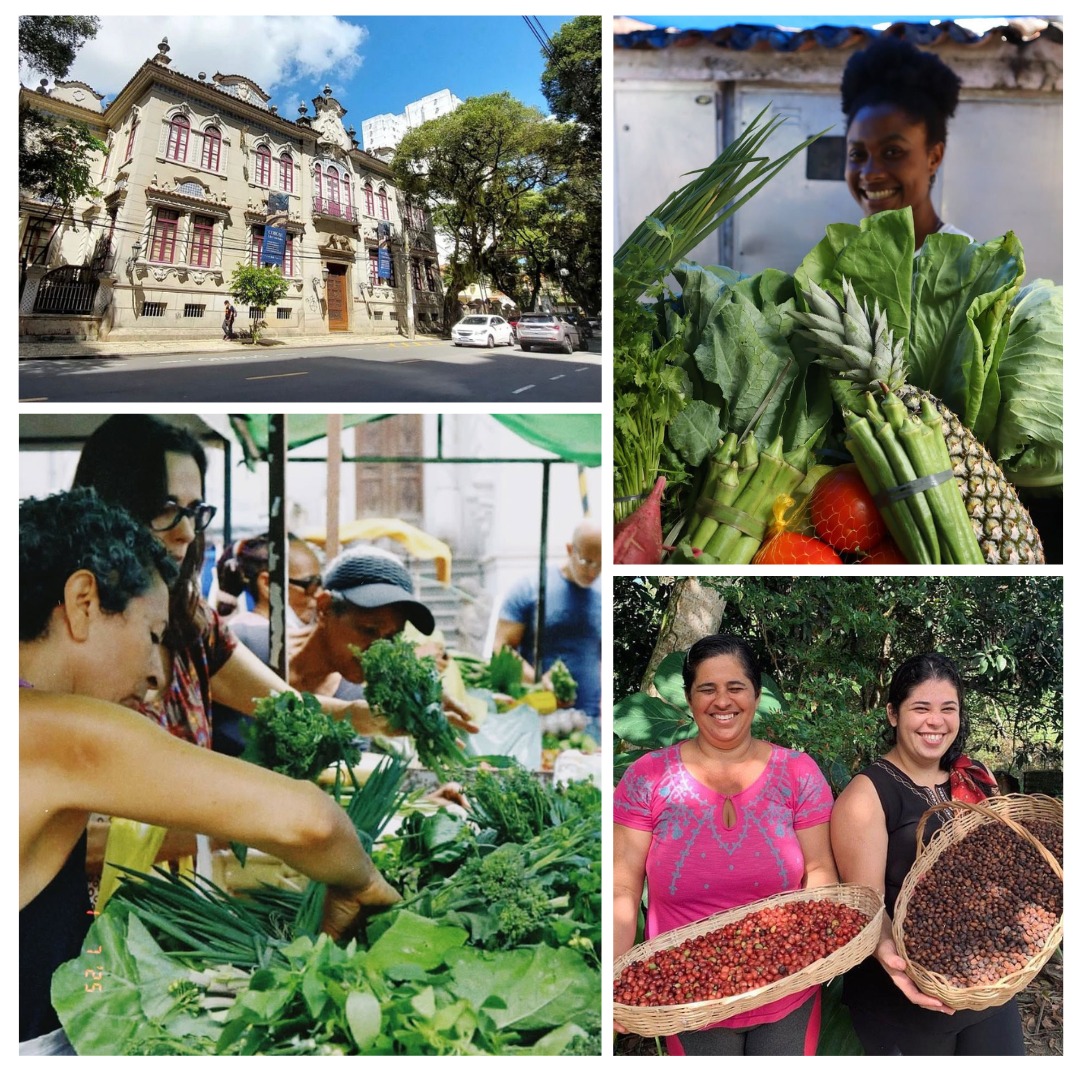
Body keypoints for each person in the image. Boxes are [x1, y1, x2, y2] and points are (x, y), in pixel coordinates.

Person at [19, 489, 400, 1054]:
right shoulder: (61, 732)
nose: (155, 674)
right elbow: (310, 821)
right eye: (152, 636)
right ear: (83, 602)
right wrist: (364, 884)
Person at [612, 634, 838, 1055]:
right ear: (689, 697)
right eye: (707, 689)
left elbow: (820, 870)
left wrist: (811, 953)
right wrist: (614, 980)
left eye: (736, 687)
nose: (722, 701)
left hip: (786, 989)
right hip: (687, 998)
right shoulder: (648, 777)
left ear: (756, 694)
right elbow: (622, 888)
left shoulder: (797, 772)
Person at [830, 652, 1023, 1055]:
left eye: (947, 709)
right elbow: (866, 905)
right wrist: (894, 960)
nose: (935, 721)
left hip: (985, 982)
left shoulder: (972, 777)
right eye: (921, 708)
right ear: (893, 714)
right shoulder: (867, 795)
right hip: (906, 996)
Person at [214, 545, 467, 757]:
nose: (379, 650)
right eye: (369, 630)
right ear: (324, 608)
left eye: (392, 637)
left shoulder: (358, 698)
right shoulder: (244, 645)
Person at [841, 37, 972, 251]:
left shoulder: (967, 262)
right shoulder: (847, 259)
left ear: (934, 157)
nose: (870, 173)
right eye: (857, 154)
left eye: (892, 152)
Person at [492, 519, 602, 741]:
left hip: (590, 723)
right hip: (536, 719)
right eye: (587, 561)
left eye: (601, 564)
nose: (593, 571)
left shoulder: (605, 593)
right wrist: (538, 681)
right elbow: (500, 648)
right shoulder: (530, 588)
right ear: (570, 550)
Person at [215, 532, 322, 629]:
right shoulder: (254, 635)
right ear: (267, 584)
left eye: (321, 583)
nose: (320, 594)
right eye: (311, 585)